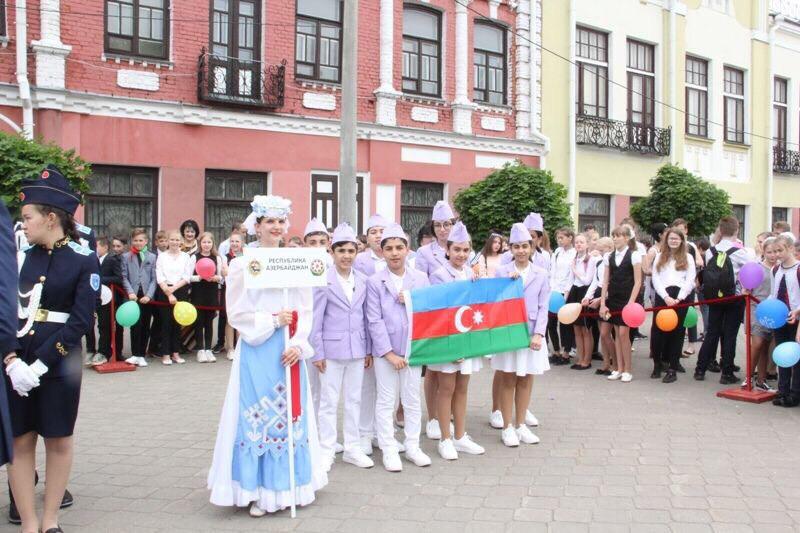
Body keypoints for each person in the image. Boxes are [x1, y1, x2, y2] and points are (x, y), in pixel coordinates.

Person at [208, 195, 327, 516]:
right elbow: (237, 312)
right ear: (256, 226)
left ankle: (289, 486)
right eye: (269, 222)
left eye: (280, 222)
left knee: (289, 416)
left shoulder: (296, 262)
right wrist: (274, 320)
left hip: (287, 348)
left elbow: (306, 306)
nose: (276, 227)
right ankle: (256, 488)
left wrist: (299, 342)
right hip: (258, 348)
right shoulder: (242, 264)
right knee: (257, 414)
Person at [8, 167, 99, 533]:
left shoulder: (82, 258)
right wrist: (12, 359)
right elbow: (4, 312)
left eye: (28, 217)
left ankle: (49, 521)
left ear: (50, 218)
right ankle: (28, 523)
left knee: (58, 438)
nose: (23, 223)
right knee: (20, 440)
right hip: (17, 361)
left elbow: (79, 320)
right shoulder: (18, 257)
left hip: (59, 364)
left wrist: (40, 365)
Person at [366, 223, 432, 472]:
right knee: (385, 400)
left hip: (413, 350)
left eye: (399, 248)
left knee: (412, 399)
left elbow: (428, 313)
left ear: (408, 250)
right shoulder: (375, 281)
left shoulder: (420, 279)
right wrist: (389, 353)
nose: (394, 253)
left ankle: (413, 446)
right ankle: (389, 448)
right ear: (382, 252)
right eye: (389, 248)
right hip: (386, 353)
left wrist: (412, 301)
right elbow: (374, 319)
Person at [311, 223, 374, 471]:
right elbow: (316, 318)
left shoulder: (364, 280)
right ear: (332, 252)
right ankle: (327, 448)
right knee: (328, 401)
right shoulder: (322, 280)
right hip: (331, 350)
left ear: (357, 252)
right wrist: (317, 351)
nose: (346, 256)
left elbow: (367, 317)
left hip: (357, 349)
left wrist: (368, 348)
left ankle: (352, 447)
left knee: (354, 400)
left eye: (351, 251)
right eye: (341, 251)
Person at [428, 222, 485, 460]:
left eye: (465, 250)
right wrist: (452, 346)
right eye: (457, 250)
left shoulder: (472, 274)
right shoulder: (440, 275)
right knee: (446, 388)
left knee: (462, 388)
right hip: (448, 339)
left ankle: (460, 436)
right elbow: (440, 312)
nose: (461, 254)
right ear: (448, 250)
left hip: (467, 338)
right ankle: (445, 439)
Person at [492, 223, 549, 447]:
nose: (521, 251)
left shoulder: (541, 273)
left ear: (532, 247)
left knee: (526, 379)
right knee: (508, 378)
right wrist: (509, 283)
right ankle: (507, 427)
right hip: (509, 331)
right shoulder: (502, 272)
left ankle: (521, 424)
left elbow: (544, 305)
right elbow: (495, 302)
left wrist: (539, 334)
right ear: (510, 249)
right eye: (516, 247)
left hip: (530, 333)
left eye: (525, 246)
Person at [694, 216, 755, 384]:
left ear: (720, 231)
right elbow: (751, 270)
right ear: (737, 230)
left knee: (712, 332)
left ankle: (700, 369)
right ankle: (726, 372)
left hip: (714, 298)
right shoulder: (741, 253)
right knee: (730, 334)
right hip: (734, 297)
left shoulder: (710, 252)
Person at [352, 214, 389, 456]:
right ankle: (363, 433)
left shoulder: (396, 257)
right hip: (365, 328)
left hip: (390, 332)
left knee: (386, 388)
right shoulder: (359, 260)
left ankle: (381, 432)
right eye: (373, 231)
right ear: (366, 236)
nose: (377, 235)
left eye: (381, 231)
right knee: (366, 386)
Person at [650, 228, 696, 383]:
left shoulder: (688, 257)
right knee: (658, 332)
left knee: (677, 333)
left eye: (677, 238)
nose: (674, 241)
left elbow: (690, 280)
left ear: (682, 240)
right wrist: (665, 297)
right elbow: (656, 279)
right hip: (663, 296)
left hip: (680, 298)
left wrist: (680, 298)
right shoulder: (659, 257)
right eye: (671, 238)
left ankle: (672, 368)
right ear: (666, 240)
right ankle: (657, 364)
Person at [600, 226, 643, 383]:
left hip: (627, 300)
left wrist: (630, 303)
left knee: (624, 334)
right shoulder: (609, 257)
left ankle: (627, 369)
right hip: (614, 299)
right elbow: (605, 281)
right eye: (614, 236)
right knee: (616, 334)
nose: (616, 238)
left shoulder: (634, 255)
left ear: (627, 238)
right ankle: (618, 368)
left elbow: (638, 281)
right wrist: (603, 302)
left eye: (619, 236)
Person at [121, 228, 157, 367]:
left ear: (146, 241)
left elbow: (154, 279)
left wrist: (149, 295)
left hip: (146, 296)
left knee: (145, 325)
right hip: (133, 296)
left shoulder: (152, 257)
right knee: (135, 325)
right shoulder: (126, 257)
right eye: (135, 240)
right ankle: (134, 354)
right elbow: (124, 277)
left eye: (141, 240)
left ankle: (142, 354)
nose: (138, 243)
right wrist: (130, 292)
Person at [156, 230, 192, 365]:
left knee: (177, 324)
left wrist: (174, 289)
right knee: (166, 324)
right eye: (172, 240)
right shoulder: (162, 257)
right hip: (164, 292)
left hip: (180, 290)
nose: (174, 242)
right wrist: (169, 293)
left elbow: (187, 276)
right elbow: (160, 276)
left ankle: (176, 353)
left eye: (177, 240)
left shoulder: (185, 257)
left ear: (181, 242)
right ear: (168, 241)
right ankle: (165, 354)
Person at [771, 235, 800, 407]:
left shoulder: (797, 269)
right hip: (780, 317)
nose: (777, 254)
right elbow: (774, 293)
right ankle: (782, 391)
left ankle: (795, 393)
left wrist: (797, 311)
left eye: (780, 250)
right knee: (782, 354)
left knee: (795, 356)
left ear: (791, 249)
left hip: (795, 318)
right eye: (774, 251)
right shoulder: (775, 269)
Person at [748, 237, 777, 392]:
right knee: (758, 343)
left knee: (766, 345)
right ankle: (748, 377)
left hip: (774, 311)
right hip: (756, 309)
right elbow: (747, 289)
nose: (772, 255)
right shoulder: (757, 268)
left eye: (775, 252)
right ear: (763, 252)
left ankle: (761, 379)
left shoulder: (779, 269)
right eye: (769, 252)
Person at [583, 237, 615, 375]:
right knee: (601, 333)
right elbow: (595, 282)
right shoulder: (600, 262)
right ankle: (606, 363)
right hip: (598, 295)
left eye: (603, 249)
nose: (600, 251)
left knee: (605, 333)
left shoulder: (613, 263)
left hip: (608, 298)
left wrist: (601, 299)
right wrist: (587, 296)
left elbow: (612, 284)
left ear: (609, 248)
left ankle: (615, 362)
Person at [191, 232, 224, 363]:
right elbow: (188, 276)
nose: (206, 245)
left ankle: (208, 350)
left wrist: (217, 278)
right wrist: (199, 277)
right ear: (200, 243)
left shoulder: (217, 258)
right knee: (199, 322)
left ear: (212, 244)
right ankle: (200, 350)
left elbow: (222, 277)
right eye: (204, 242)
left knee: (209, 322)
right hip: (198, 293)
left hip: (211, 293)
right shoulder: (195, 257)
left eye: (209, 242)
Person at [92, 236, 124, 366]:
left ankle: (111, 352)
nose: (94, 249)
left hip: (112, 299)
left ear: (105, 247)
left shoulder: (112, 259)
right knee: (102, 326)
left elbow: (118, 278)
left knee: (111, 326)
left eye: (96, 246)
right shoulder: (96, 260)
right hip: (102, 299)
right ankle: (104, 351)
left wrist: (100, 279)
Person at [567, 233, 596, 370]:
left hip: (585, 293)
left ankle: (587, 359)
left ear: (587, 244)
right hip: (575, 292)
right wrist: (567, 294)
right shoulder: (575, 258)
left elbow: (587, 280)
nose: (579, 244)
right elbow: (571, 279)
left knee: (585, 329)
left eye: (582, 242)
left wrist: (574, 269)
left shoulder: (591, 260)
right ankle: (580, 358)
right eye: (577, 242)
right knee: (576, 328)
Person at [549, 227, 576, 365]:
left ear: (570, 237)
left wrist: (566, 293)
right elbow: (552, 271)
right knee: (551, 322)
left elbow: (571, 275)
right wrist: (551, 288)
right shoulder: (557, 252)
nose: (559, 240)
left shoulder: (574, 253)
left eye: (562, 238)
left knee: (565, 323)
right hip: (554, 290)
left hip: (566, 291)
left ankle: (566, 352)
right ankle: (556, 351)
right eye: (558, 238)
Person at [220, 231, 245, 361]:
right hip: (229, 290)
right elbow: (224, 273)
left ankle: (240, 347)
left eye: (237, 241)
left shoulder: (246, 256)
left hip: (243, 290)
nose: (234, 244)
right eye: (232, 241)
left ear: (242, 243)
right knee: (230, 320)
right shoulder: (224, 257)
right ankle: (230, 348)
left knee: (241, 319)